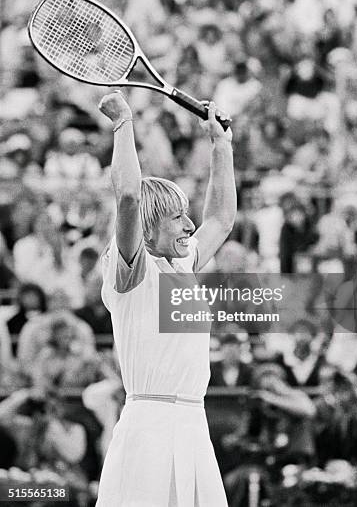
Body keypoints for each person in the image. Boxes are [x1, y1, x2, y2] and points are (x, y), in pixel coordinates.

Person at [96, 90, 236, 506]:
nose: (189, 224)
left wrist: (220, 146)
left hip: (193, 423)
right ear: (149, 226)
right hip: (148, 430)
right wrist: (123, 123)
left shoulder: (182, 267)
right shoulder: (131, 272)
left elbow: (221, 219)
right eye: (177, 216)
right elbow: (128, 196)